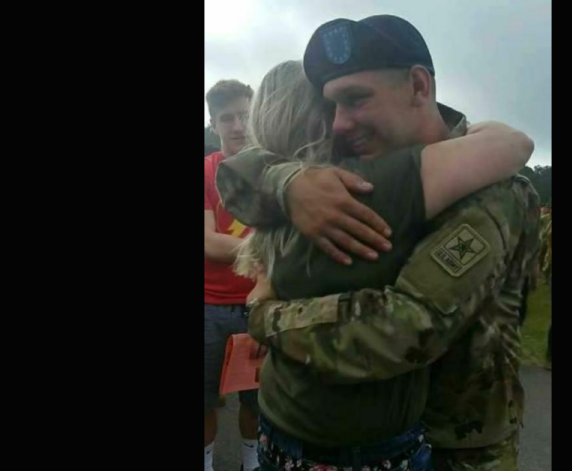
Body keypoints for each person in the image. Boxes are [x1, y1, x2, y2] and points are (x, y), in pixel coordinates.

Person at [221, 15, 541, 471]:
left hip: (462, 442)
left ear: (417, 85)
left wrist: (267, 315)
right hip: (392, 435)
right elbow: (241, 169)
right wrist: (288, 180)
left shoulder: (493, 193)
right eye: (332, 107)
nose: (337, 125)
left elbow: (406, 330)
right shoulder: (373, 164)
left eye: (355, 100)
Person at [203, 79, 260, 471]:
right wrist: (271, 251)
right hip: (210, 306)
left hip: (262, 303)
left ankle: (250, 463)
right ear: (213, 124)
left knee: (258, 399)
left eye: (245, 115)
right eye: (227, 118)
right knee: (205, 399)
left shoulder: (274, 169)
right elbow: (207, 244)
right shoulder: (205, 171)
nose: (238, 126)